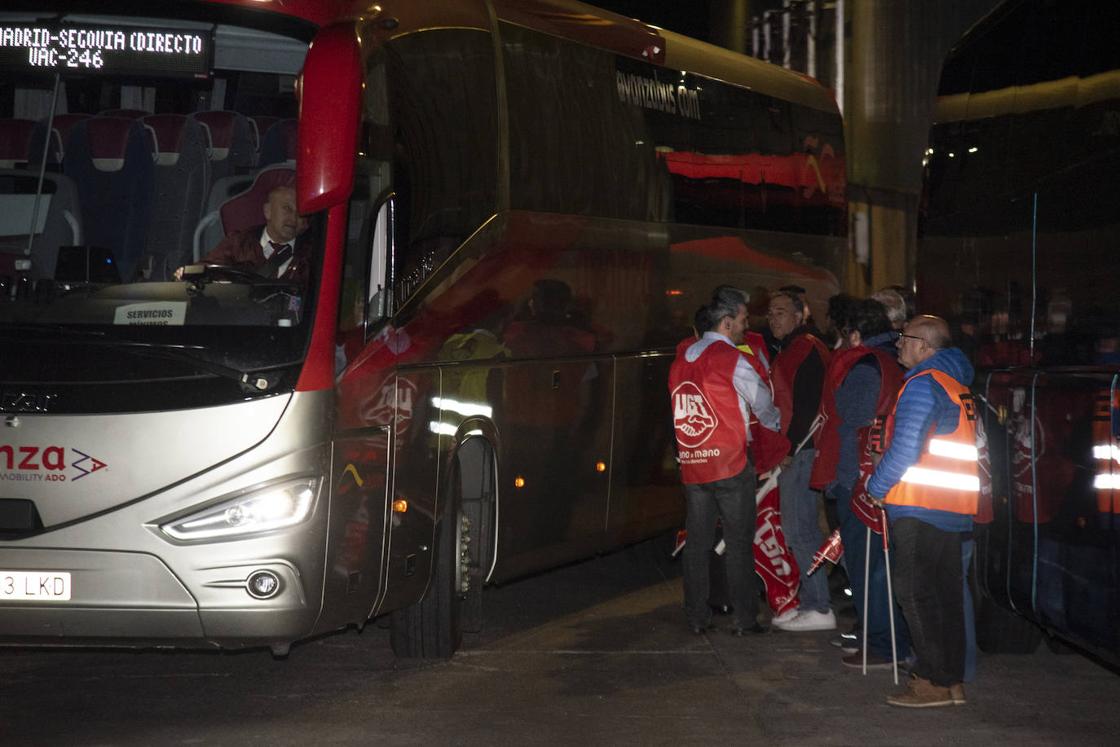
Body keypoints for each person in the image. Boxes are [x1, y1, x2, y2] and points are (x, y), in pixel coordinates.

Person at [866, 315, 978, 708]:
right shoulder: (956, 384)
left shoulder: (921, 385)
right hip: (952, 507)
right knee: (946, 597)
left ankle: (931, 681)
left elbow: (907, 446)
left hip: (919, 505)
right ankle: (952, 680)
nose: (898, 344)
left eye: (904, 338)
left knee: (915, 595)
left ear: (925, 346)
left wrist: (876, 486)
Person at [669, 290, 781, 636]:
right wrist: (775, 424)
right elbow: (761, 400)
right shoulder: (730, 358)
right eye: (744, 320)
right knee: (738, 543)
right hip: (730, 463)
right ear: (727, 322)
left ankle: (696, 616)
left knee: (698, 544)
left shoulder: (681, 358)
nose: (747, 327)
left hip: (693, 462)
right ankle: (745, 619)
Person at [812, 298, 912, 668]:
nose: (835, 345)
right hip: (875, 480)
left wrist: (844, 485)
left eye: (839, 336)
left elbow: (850, 428)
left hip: (861, 485)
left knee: (870, 570)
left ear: (854, 334)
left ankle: (886, 646)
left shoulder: (863, 368)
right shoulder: (887, 361)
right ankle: (884, 640)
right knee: (877, 569)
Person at [766, 289, 834, 632]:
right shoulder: (797, 347)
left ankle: (818, 605)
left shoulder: (803, 349)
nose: (773, 318)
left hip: (802, 452)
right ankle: (815, 601)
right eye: (770, 312)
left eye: (780, 312)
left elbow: (806, 406)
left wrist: (789, 449)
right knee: (801, 528)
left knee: (799, 529)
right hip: (802, 450)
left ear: (799, 315)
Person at [178, 185, 310, 281]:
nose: (293, 219)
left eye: (300, 213)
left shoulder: (312, 252)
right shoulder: (239, 242)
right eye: (287, 209)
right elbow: (203, 271)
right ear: (268, 211)